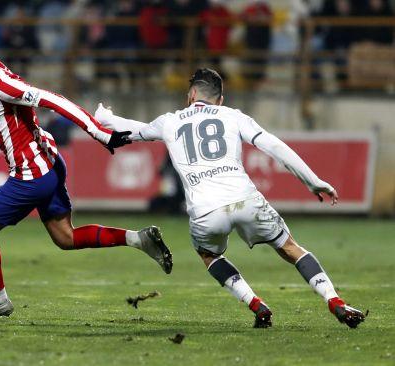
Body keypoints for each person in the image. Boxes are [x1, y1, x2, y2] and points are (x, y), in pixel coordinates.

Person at [95, 68, 366, 329]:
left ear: (191, 94)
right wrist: (313, 181)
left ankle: (256, 304)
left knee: (209, 255)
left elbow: (133, 130)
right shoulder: (232, 116)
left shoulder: (170, 121)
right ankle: (334, 300)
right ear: (220, 99)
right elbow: (273, 145)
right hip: (245, 200)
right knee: (289, 247)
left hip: (205, 211)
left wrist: (107, 118)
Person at [0, 18, 173, 317]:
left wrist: (99, 132)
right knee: (65, 237)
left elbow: (53, 100)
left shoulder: (1, 84)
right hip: (50, 164)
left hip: (31, 176)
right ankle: (138, 239)